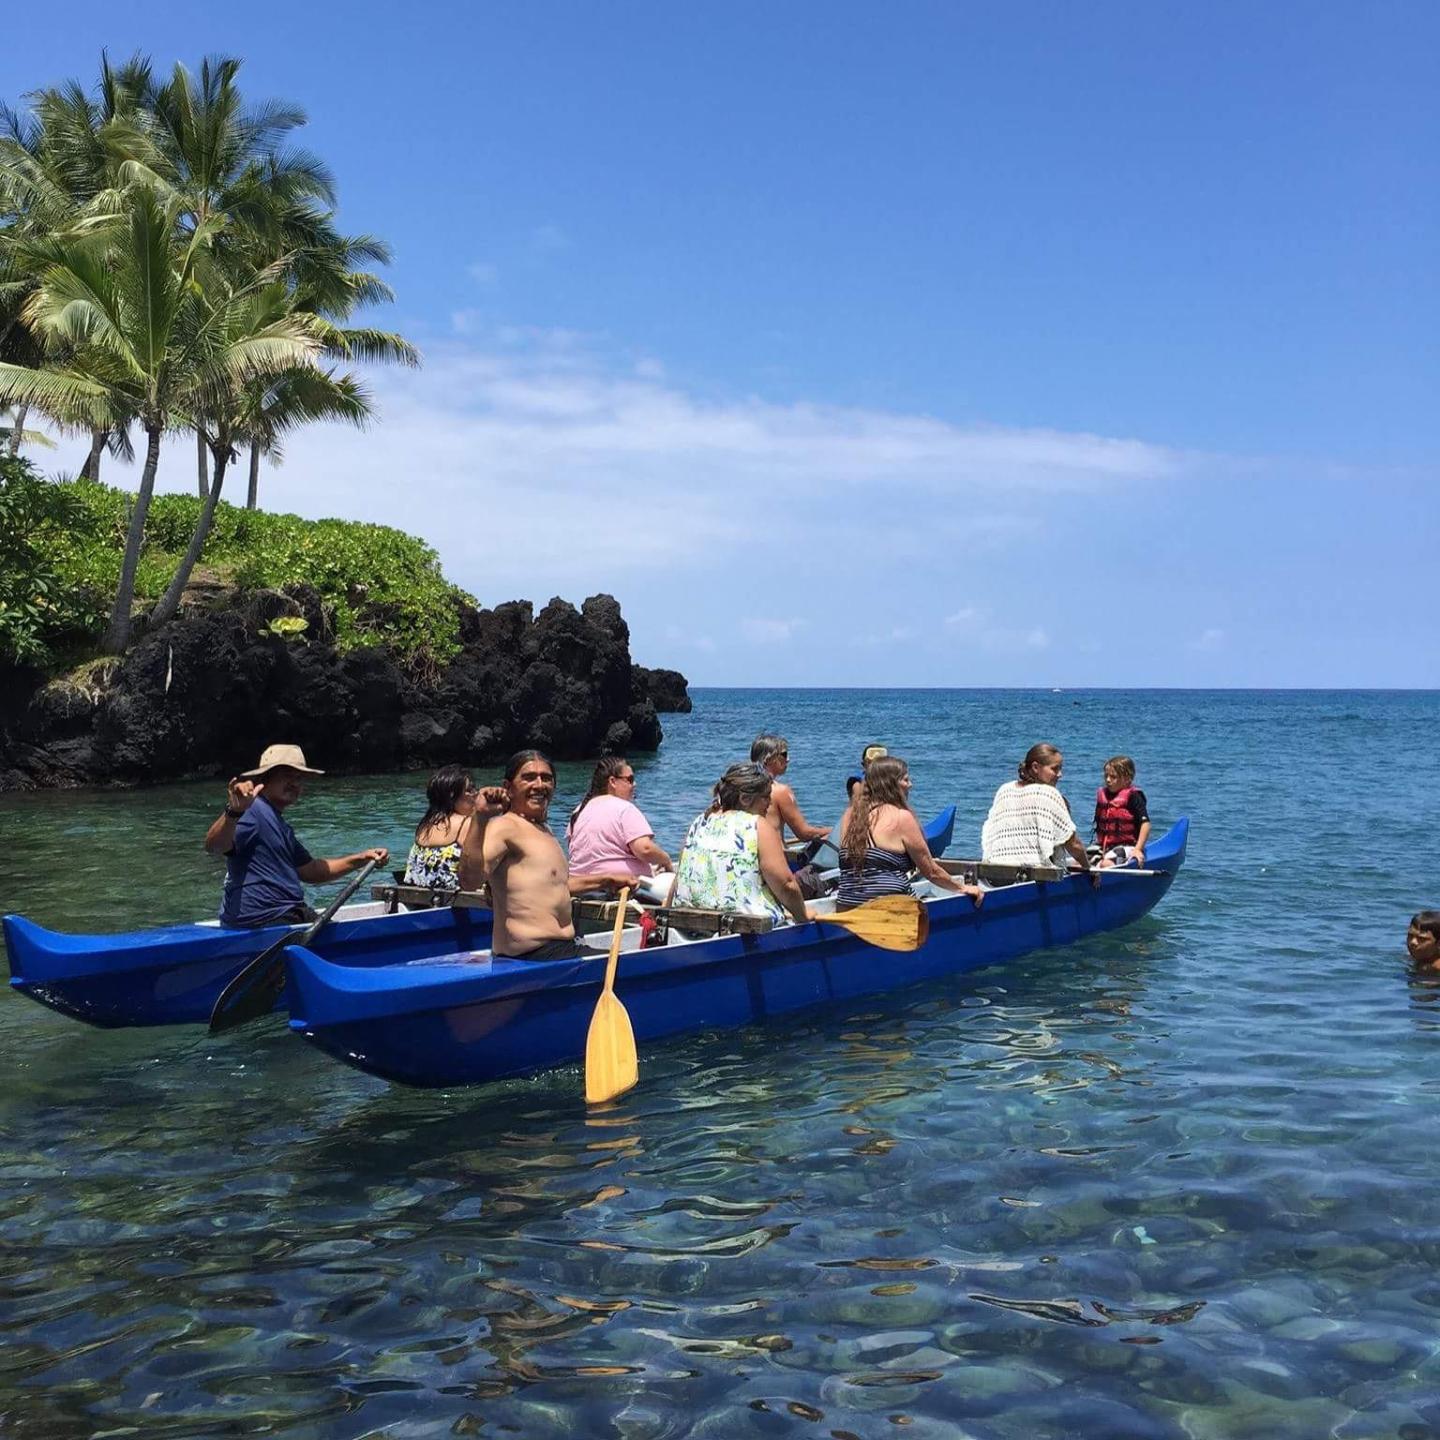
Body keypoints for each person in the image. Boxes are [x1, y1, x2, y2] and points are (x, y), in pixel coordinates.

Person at [458, 750, 634, 960]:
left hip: (560, 949)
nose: (540, 785)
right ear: (508, 787)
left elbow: (555, 886)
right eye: (529, 777)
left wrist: (605, 880)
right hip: (534, 955)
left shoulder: (542, 830)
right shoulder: (504, 827)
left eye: (547, 778)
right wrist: (480, 818)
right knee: (642, 969)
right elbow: (469, 881)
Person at [204, 743, 389, 927]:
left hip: (285, 914)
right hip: (265, 919)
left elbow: (311, 870)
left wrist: (362, 858)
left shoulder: (279, 823)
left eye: (298, 778)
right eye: (286, 776)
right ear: (264, 779)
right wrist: (233, 812)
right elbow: (215, 846)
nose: (294, 783)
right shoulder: (252, 811)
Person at [671, 762, 811, 925]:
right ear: (745, 798)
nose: (769, 803)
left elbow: (680, 876)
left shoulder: (700, 821)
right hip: (745, 926)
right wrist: (803, 917)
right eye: (765, 796)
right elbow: (785, 884)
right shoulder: (756, 825)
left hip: (688, 923)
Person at [837, 756, 983, 910]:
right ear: (891, 784)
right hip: (890, 912)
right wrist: (963, 888)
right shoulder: (901, 818)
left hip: (846, 909)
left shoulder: (849, 816)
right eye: (906, 780)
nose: (910, 785)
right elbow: (932, 872)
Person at [980, 743, 1099, 887]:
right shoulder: (1048, 793)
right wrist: (1087, 868)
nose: (1060, 774)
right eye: (1055, 769)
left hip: (995, 875)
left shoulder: (1004, 790)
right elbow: (1073, 843)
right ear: (1036, 767)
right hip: (1032, 877)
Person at [567, 757, 674, 880]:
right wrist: (666, 859)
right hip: (621, 888)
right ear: (612, 781)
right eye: (630, 780)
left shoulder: (578, 811)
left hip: (581, 885)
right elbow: (645, 849)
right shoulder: (624, 809)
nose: (634, 784)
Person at [402, 765, 478, 890]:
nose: (476, 794)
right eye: (470, 790)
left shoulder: (425, 824)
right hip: (456, 902)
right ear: (452, 796)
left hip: (421, 899)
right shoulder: (465, 824)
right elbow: (481, 866)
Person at [751, 733, 830, 846]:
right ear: (768, 759)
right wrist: (835, 830)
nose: (788, 759)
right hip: (775, 857)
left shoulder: (739, 788)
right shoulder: (780, 791)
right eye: (784, 754)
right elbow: (804, 833)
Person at [1093, 755, 1151, 868]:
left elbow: (1146, 824)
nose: (1108, 780)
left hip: (1127, 846)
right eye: (1106, 776)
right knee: (1079, 862)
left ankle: (1106, 883)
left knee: (1106, 864)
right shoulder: (1103, 795)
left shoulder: (1134, 796)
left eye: (1113, 777)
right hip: (1104, 846)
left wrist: (1138, 849)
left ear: (1127, 779)